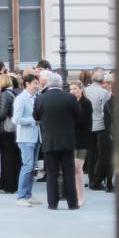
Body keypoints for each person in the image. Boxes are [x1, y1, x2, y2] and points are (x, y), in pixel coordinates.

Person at [33, 71, 79, 210]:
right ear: (61, 84)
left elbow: (36, 116)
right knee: (69, 173)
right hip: (67, 141)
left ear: (48, 84)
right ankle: (72, 203)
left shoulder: (41, 98)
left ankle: (52, 203)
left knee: (51, 173)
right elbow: (78, 115)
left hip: (50, 140)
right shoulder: (70, 97)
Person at [12, 73, 41, 206]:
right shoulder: (21, 98)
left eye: (37, 83)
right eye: (35, 83)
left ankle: (28, 194)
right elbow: (16, 119)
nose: (37, 86)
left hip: (36, 137)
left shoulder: (36, 97)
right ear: (27, 84)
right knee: (27, 166)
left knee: (32, 167)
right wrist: (33, 121)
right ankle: (21, 196)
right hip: (25, 137)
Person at [69, 79, 92, 207]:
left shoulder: (86, 103)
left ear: (81, 90)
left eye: (75, 89)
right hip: (71, 139)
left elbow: (82, 121)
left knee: (78, 168)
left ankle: (81, 196)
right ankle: (77, 195)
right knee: (74, 168)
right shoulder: (71, 102)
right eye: (71, 89)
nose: (72, 91)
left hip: (82, 140)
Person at [0, 73, 19, 193]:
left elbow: (2, 114)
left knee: (7, 157)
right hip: (13, 130)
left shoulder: (4, 95)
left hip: (6, 129)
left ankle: (8, 185)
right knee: (12, 157)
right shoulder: (13, 92)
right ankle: (7, 183)